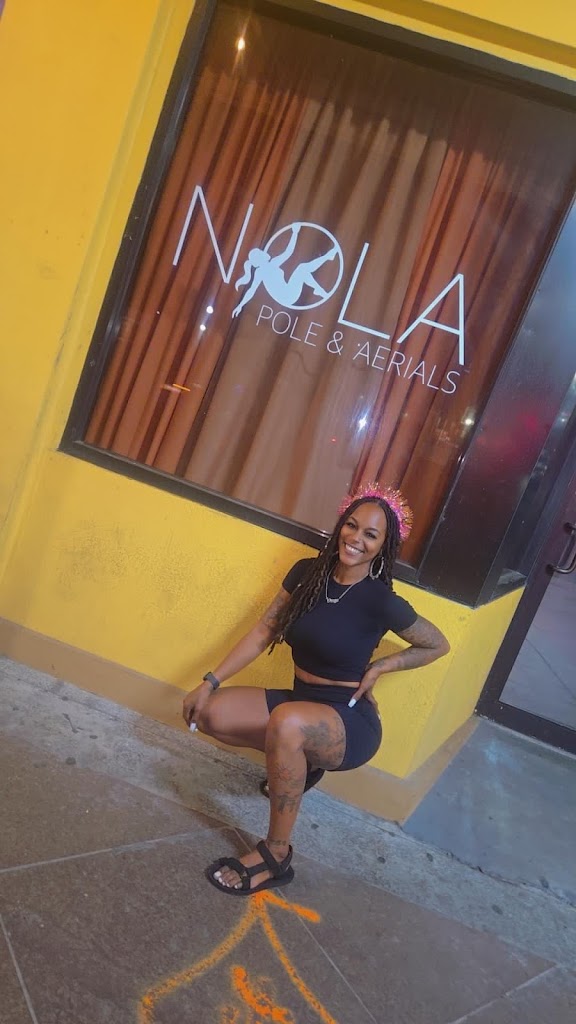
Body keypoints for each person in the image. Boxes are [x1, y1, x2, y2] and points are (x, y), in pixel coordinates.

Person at [183, 484, 450, 897]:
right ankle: (300, 764)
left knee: (288, 724)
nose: (356, 539)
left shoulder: (381, 601)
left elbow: (437, 644)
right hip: (299, 703)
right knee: (210, 713)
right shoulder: (306, 574)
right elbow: (264, 631)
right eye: (351, 525)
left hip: (348, 721)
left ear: (383, 547)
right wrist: (210, 681)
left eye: (370, 535)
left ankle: (276, 854)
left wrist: (382, 666)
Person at [231, 222, 339, 317]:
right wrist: (240, 305)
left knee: (302, 271)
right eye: (260, 253)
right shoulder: (262, 270)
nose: (263, 252)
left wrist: (295, 233)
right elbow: (251, 290)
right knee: (302, 269)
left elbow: (288, 252)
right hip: (287, 296)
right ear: (259, 259)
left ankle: (326, 263)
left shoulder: (270, 265)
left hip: (287, 292)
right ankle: (326, 265)